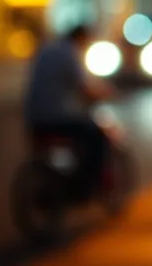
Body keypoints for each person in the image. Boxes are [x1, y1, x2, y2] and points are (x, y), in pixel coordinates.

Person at [23, 23, 109, 201]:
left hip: (34, 118)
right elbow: (85, 89)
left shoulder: (47, 50)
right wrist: (107, 94)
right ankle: (84, 188)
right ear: (81, 38)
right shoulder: (70, 53)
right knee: (97, 137)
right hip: (58, 118)